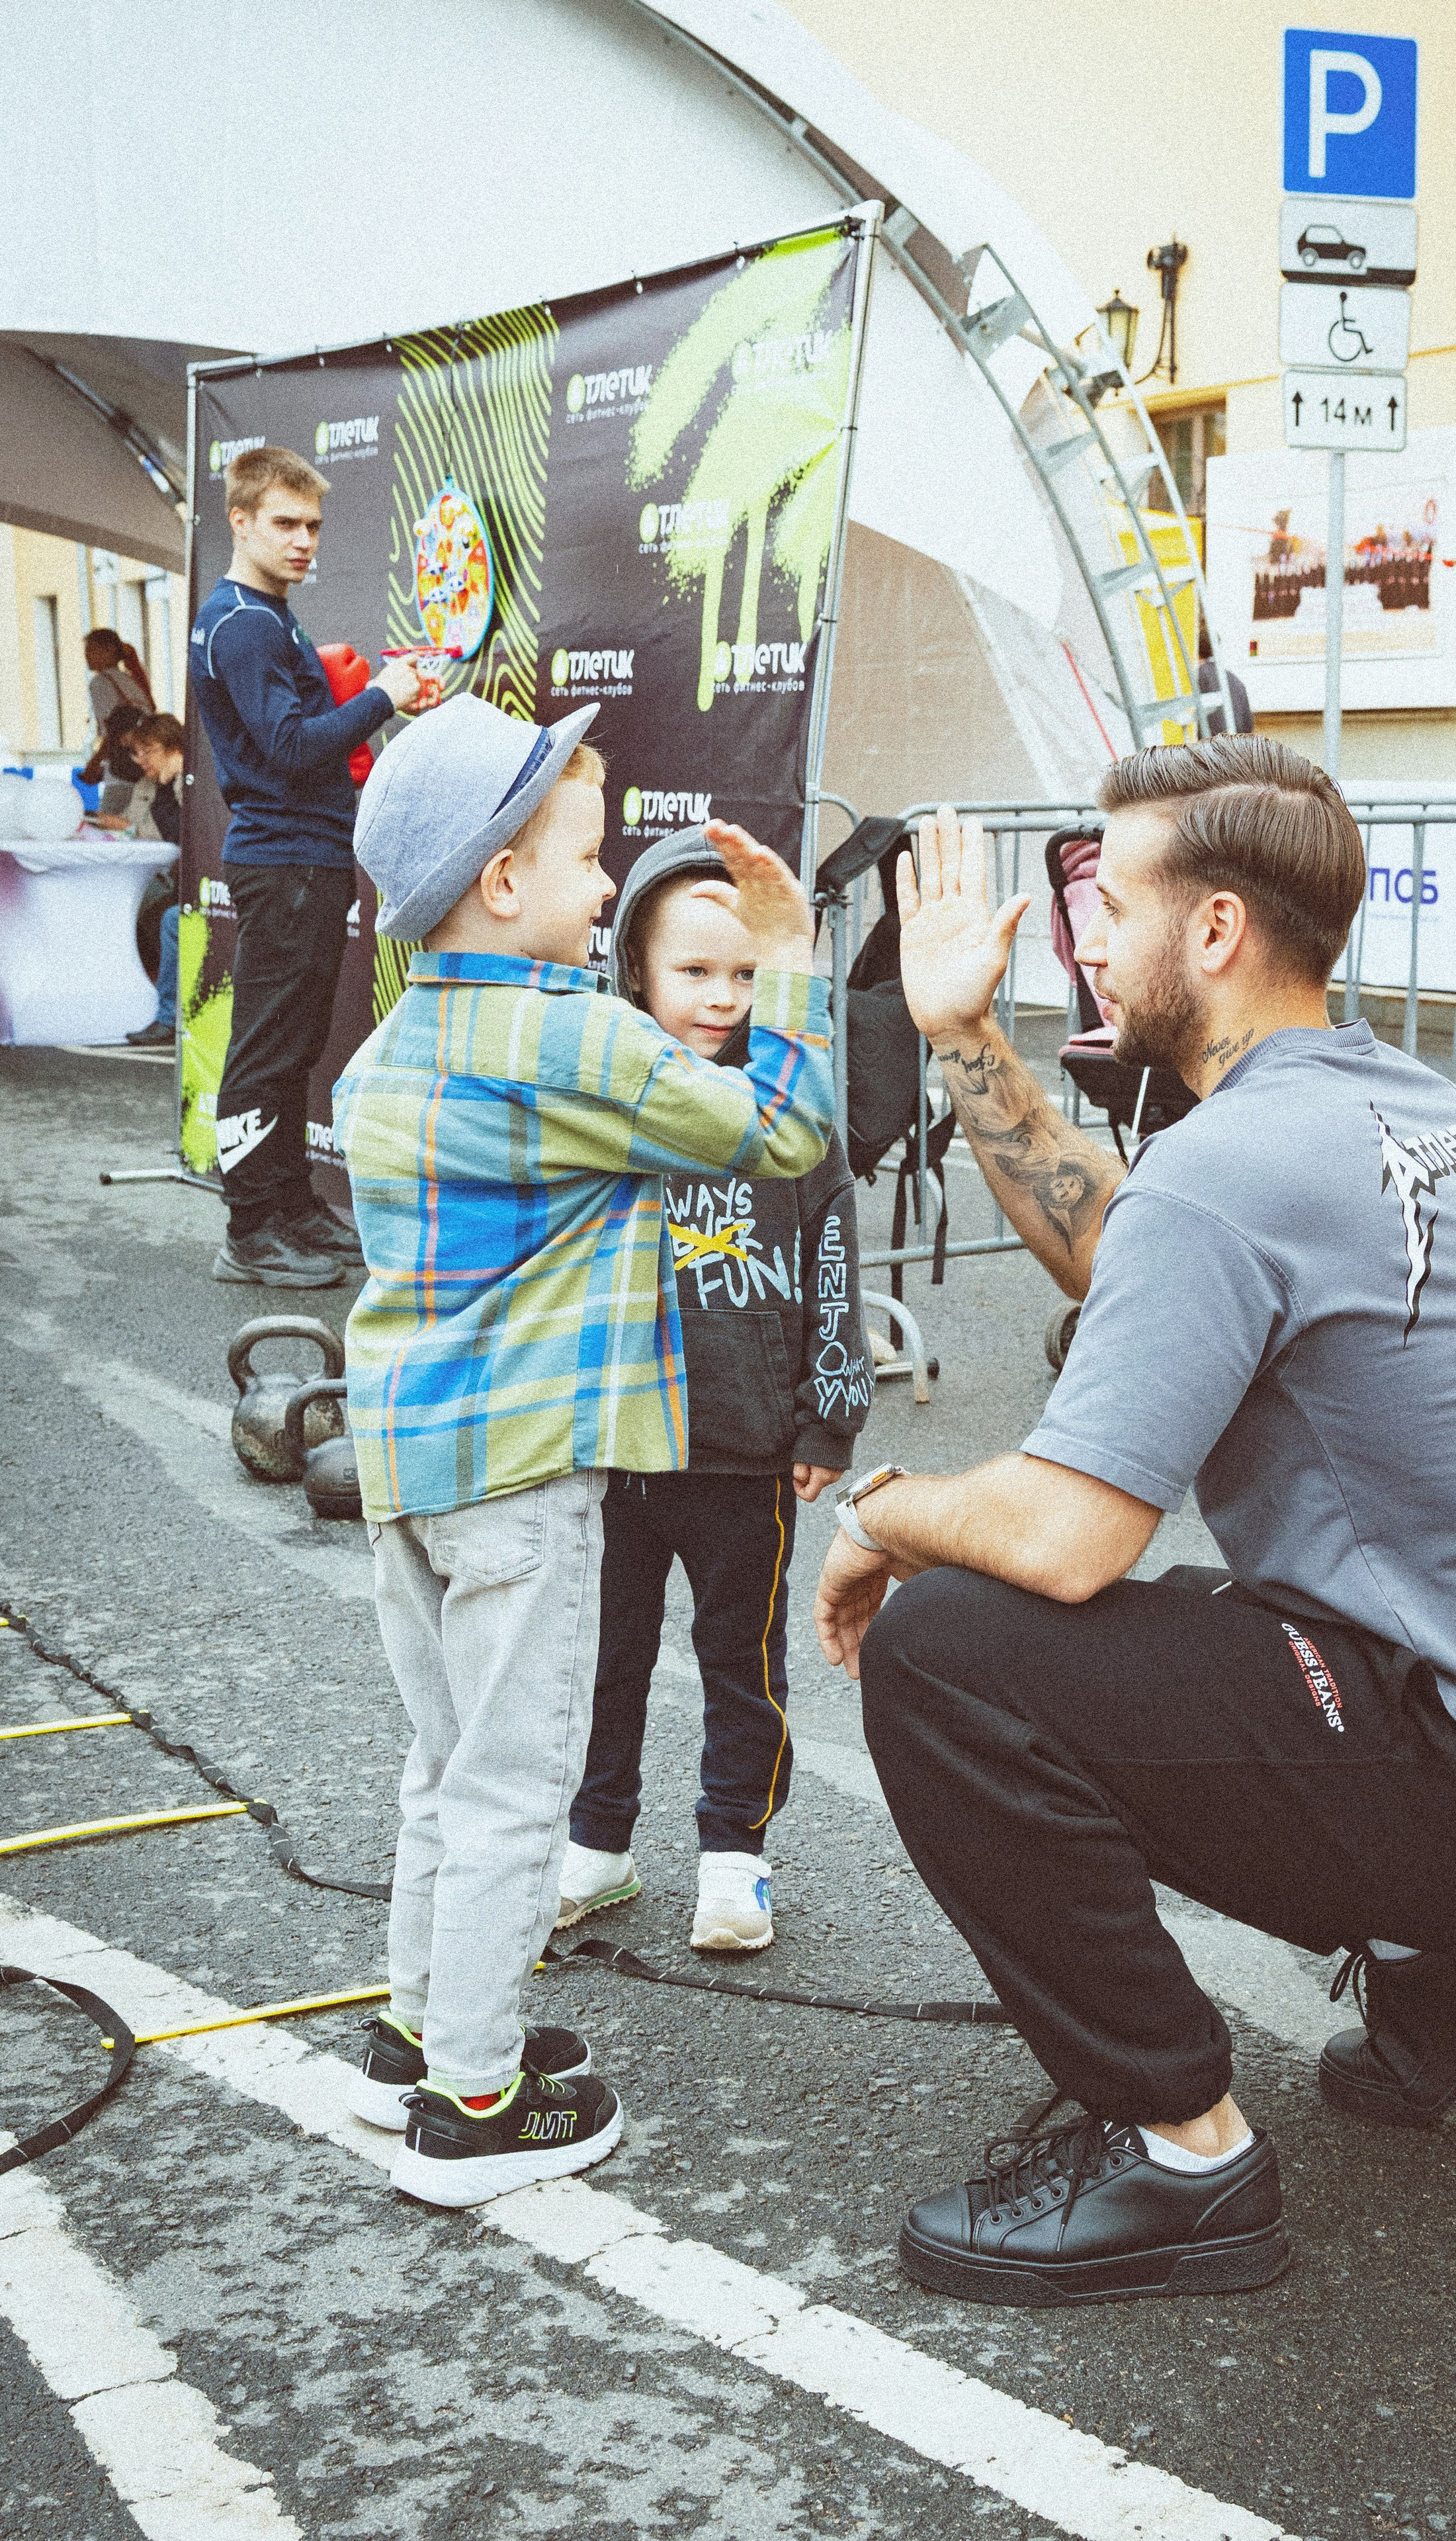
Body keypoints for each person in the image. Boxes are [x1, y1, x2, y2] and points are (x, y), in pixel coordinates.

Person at [812, 744, 1456, 2309]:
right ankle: (1452, 1958)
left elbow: (1067, 1538)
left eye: (1109, 905)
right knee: (1196, 1616)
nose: (1086, 939)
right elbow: (1129, 1248)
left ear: (1211, 930)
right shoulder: (1388, 1098)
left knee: (949, 1647)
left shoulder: (1231, 1166)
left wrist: (881, 1510)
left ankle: (1180, 2152)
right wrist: (963, 1036)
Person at [331, 693, 835, 2210]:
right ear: (503, 882)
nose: (604, 879)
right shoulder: (578, 1040)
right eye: (582, 854)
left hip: (406, 1467)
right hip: (522, 1475)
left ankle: (418, 2031)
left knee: (443, 1764)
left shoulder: (391, 1049)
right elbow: (781, 1136)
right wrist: (790, 969)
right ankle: (477, 2102)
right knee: (512, 1785)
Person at [556, 831, 871, 1955]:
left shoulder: (795, 1110)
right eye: (694, 970)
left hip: (747, 1453)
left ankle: (735, 1858)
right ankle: (596, 1844)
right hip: (618, 1449)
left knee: (744, 1665)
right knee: (605, 1660)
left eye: (746, 973)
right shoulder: (608, 1100)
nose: (724, 997)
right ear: (635, 969)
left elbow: (834, 1257)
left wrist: (831, 1410)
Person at [188, 444, 433, 1290]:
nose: (303, 541)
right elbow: (290, 749)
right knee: (267, 1051)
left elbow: (290, 735)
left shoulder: (261, 615)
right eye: (285, 524)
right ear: (241, 520)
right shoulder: (246, 624)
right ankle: (251, 1230)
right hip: (285, 859)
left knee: (290, 1048)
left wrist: (356, 696)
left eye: (314, 526)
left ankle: (289, 1207)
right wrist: (383, 697)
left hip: (304, 856)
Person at [118, 712, 187, 1049]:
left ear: (173, 747)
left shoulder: (194, 781)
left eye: (148, 751)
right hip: (173, 873)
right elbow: (133, 826)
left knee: (168, 921)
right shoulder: (148, 787)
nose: (140, 759)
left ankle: (169, 1017)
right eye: (137, 752)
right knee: (150, 919)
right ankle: (169, 1004)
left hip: (196, 876)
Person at [79, 628, 155, 817]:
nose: (87, 656)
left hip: (120, 776)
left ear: (110, 650)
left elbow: (113, 732)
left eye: (92, 650)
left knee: (112, 826)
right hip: (144, 770)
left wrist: (94, 764)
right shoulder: (131, 680)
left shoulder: (101, 682)